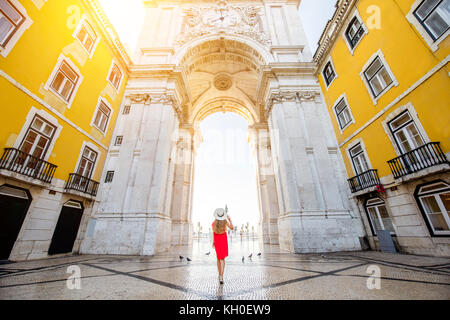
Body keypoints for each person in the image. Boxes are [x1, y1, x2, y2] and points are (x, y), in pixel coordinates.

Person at [212, 208, 234, 284]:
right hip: (223, 241)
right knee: (223, 259)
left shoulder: (214, 223)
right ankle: (221, 276)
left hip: (217, 241)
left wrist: (213, 242)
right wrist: (230, 220)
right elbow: (232, 228)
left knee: (218, 258)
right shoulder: (225, 221)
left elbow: (214, 233)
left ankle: (219, 275)